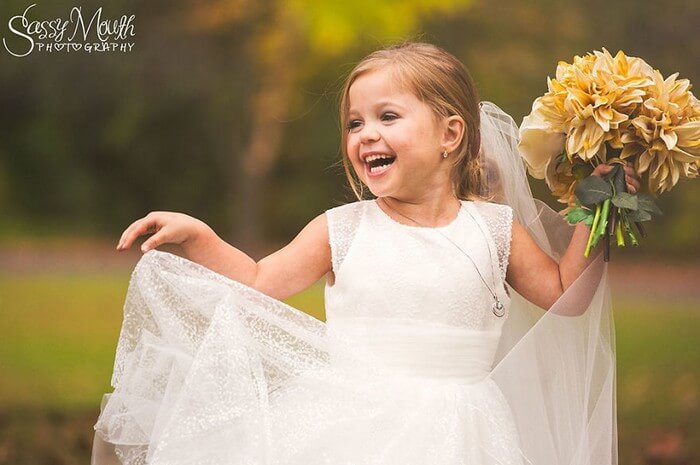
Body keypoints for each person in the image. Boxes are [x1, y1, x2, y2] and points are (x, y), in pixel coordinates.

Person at [92, 41, 640, 465]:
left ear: (450, 133)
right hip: (350, 425)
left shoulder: (495, 229)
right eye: (355, 123)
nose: (365, 135)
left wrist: (602, 210)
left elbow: (564, 297)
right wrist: (200, 238)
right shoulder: (342, 229)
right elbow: (258, 281)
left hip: (464, 431)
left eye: (387, 117)